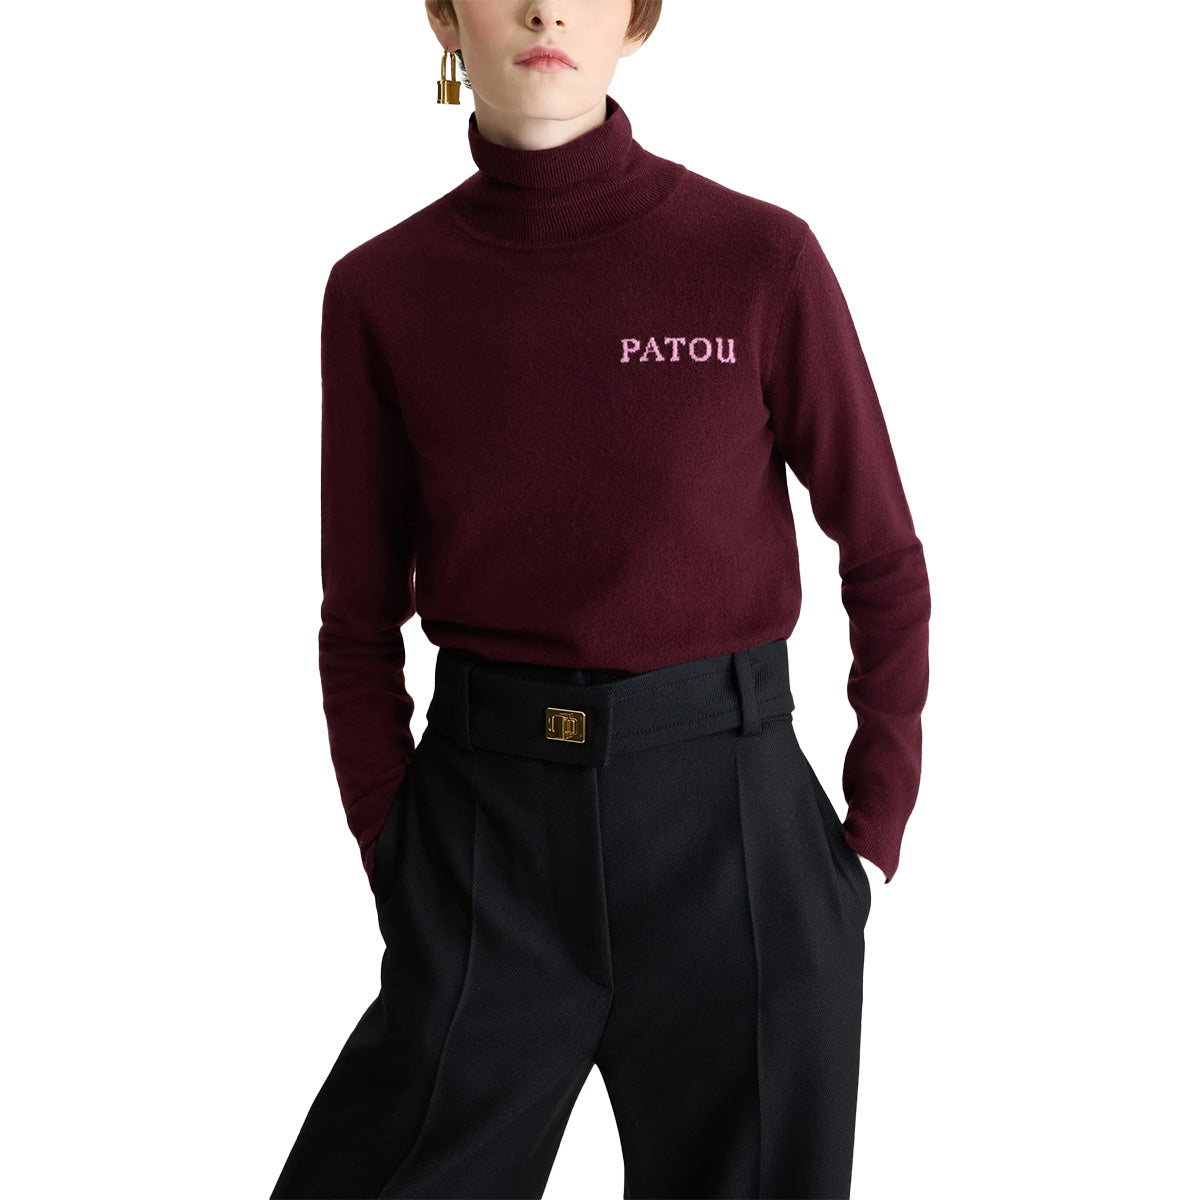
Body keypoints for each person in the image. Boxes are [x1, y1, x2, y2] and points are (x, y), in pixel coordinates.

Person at [270, 2, 931, 1196]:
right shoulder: (383, 290)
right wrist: (395, 852)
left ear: (636, 18)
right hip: (483, 842)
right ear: (445, 17)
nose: (545, 8)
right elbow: (356, 621)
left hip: (735, 839)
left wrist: (871, 840)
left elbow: (882, 555)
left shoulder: (759, 259)